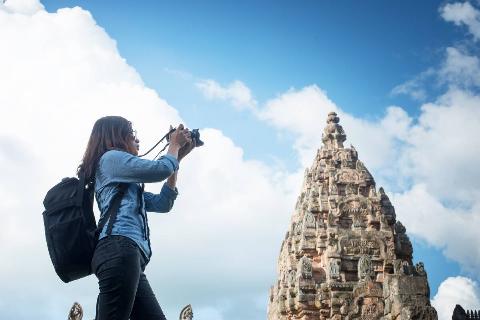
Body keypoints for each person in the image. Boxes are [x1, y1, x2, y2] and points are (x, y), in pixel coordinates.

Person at [77, 116, 195, 320]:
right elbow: (160, 169)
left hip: (128, 256)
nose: (137, 140)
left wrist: (177, 159)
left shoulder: (126, 182)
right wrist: (173, 146)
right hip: (119, 249)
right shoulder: (111, 158)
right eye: (132, 135)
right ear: (116, 137)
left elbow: (162, 203)